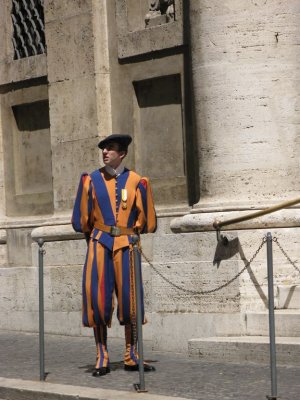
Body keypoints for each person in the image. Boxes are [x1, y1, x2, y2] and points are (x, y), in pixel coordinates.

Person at [71, 134, 157, 376]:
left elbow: (148, 221)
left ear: (123, 153)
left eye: (111, 148)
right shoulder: (91, 180)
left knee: (131, 299)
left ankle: (131, 355)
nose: (105, 152)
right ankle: (102, 356)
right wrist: (96, 236)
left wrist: (132, 233)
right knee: (97, 300)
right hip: (99, 243)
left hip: (128, 244)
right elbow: (82, 220)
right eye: (104, 148)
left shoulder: (138, 181)